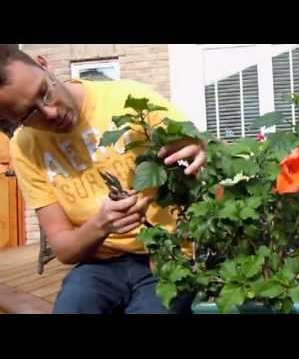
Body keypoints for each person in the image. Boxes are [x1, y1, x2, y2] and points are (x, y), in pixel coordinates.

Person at [0, 44, 206, 314]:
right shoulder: (24, 146)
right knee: (72, 306)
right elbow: (63, 248)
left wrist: (200, 149)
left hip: (168, 256)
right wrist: (100, 224)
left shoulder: (129, 98)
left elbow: (200, 150)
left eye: (44, 92)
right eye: (29, 114)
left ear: (43, 64)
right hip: (100, 265)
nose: (50, 112)